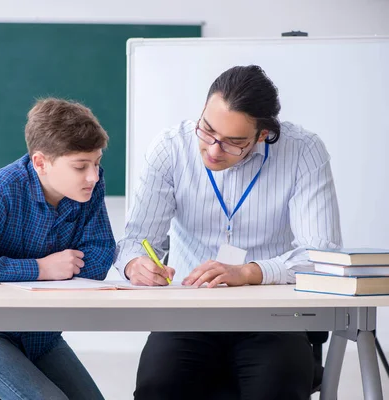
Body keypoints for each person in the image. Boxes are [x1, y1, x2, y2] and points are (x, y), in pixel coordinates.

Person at [114, 65, 342, 400]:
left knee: (276, 390)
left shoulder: (303, 151)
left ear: (263, 135)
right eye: (207, 130)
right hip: (189, 315)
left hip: (272, 317)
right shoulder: (170, 149)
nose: (213, 150)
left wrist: (251, 272)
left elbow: (323, 256)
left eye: (234, 142)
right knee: (157, 389)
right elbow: (135, 242)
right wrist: (136, 264)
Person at [0, 98, 116, 400]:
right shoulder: (5, 186)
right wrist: (41, 269)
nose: (93, 176)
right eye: (80, 166)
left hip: (41, 336)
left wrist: (50, 273)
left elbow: (101, 255)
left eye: (97, 163)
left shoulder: (91, 186)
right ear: (41, 163)